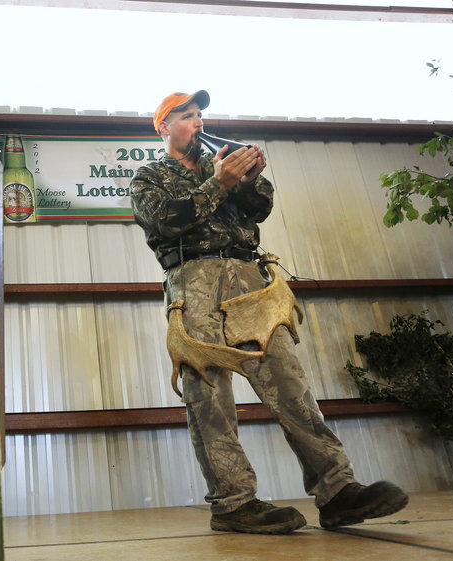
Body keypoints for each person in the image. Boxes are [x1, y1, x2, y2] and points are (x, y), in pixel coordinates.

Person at [129, 90, 409, 534]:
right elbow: (167, 221)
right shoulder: (149, 177)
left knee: (289, 382)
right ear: (163, 126)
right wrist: (219, 182)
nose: (198, 123)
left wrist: (247, 179)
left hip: (251, 279)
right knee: (210, 395)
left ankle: (337, 491)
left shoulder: (220, 162)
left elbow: (260, 207)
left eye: (200, 115)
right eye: (186, 116)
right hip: (194, 282)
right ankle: (234, 503)